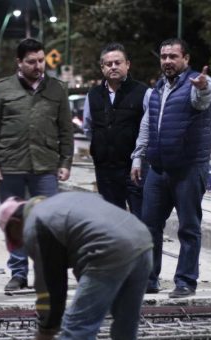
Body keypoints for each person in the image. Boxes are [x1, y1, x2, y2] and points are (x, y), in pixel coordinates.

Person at [0, 192, 153, 340]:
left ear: (16, 223)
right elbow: (78, 258)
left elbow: (52, 285)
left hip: (107, 249)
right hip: (141, 240)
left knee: (77, 325)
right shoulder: (61, 203)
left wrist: (48, 326)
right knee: (126, 318)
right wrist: (49, 324)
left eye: (14, 236)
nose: (20, 243)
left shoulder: (35, 225)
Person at [0, 38, 74, 293]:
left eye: (41, 60)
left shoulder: (57, 89)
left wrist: (66, 161)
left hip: (45, 167)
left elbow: (66, 130)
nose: (38, 66)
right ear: (19, 63)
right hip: (10, 165)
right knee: (15, 223)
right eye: (31, 62)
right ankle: (18, 273)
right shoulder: (3, 89)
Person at [130, 38, 211, 298]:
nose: (167, 61)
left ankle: (186, 281)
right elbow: (147, 124)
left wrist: (203, 86)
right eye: (164, 56)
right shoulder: (156, 89)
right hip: (157, 168)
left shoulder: (194, 84)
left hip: (188, 168)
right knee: (148, 227)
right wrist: (138, 158)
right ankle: (149, 279)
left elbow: (205, 95)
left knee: (188, 227)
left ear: (186, 59)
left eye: (173, 56)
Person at [82, 42, 148, 219]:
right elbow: (88, 127)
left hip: (135, 170)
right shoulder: (93, 94)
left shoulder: (143, 92)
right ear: (102, 67)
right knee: (112, 220)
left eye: (118, 62)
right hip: (105, 170)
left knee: (142, 219)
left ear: (127, 64)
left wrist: (139, 158)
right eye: (108, 64)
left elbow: (149, 130)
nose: (113, 67)